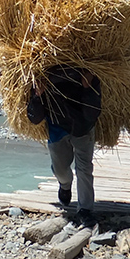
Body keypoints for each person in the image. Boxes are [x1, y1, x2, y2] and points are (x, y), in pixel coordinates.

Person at [27, 64, 101, 226]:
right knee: (60, 170)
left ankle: (85, 210)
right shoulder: (43, 78)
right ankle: (65, 185)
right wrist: (38, 95)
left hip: (83, 129)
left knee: (84, 168)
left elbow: (92, 114)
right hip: (57, 128)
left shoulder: (89, 75)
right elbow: (35, 118)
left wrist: (88, 87)